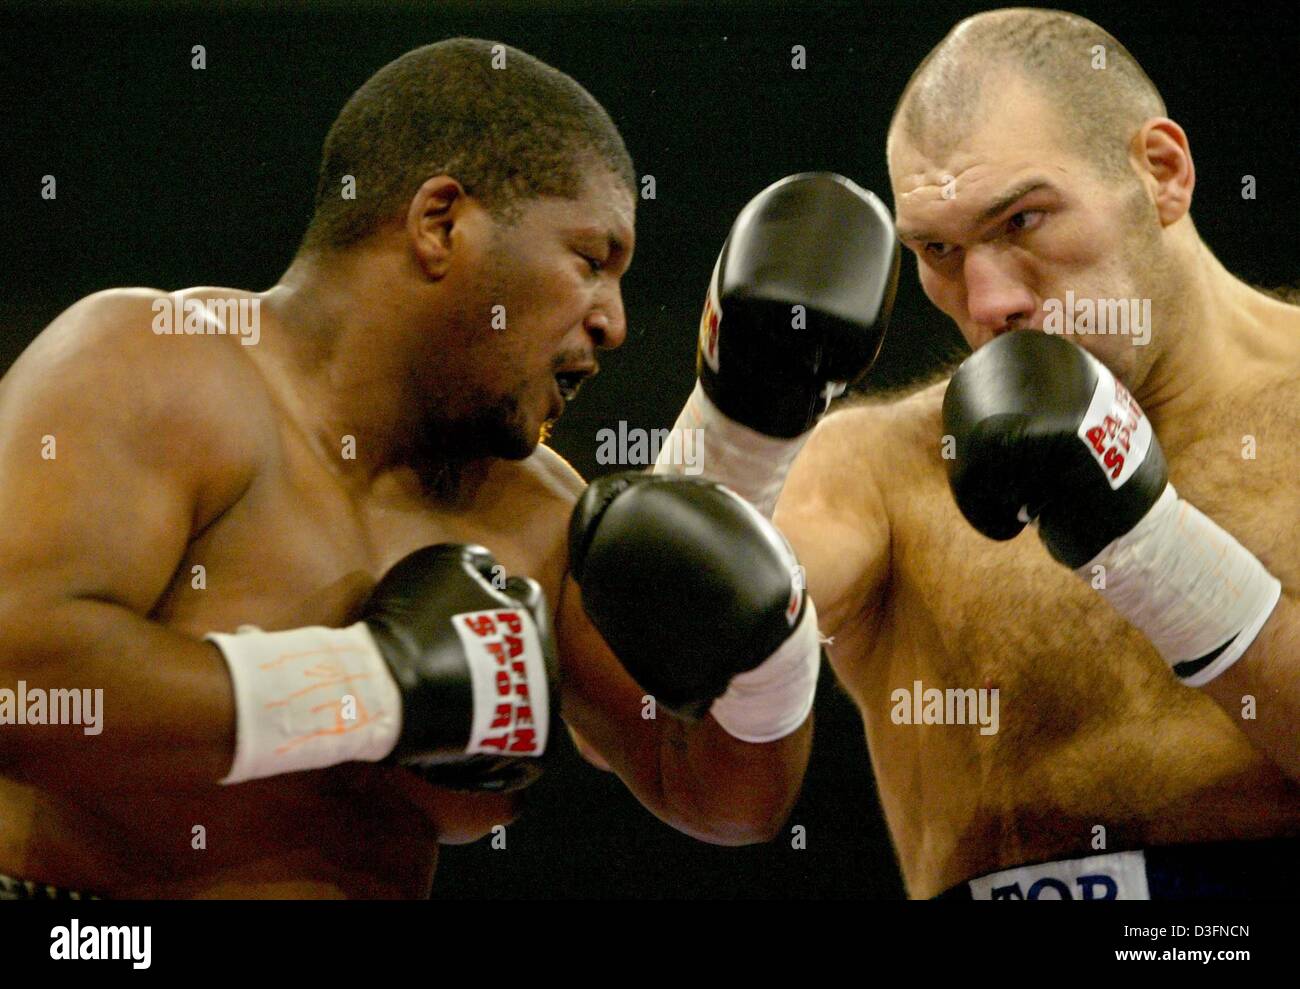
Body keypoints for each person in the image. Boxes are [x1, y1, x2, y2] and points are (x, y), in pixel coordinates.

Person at [0, 38, 822, 899]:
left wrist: (778, 649)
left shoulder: (537, 512)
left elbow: (718, 796)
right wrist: (369, 690)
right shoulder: (159, 366)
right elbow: (19, 679)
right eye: (591, 260)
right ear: (441, 224)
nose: (614, 322)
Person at [658, 9, 1300, 899]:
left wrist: (1156, 551)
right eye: (939, 250)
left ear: (1161, 172)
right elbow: (654, 664)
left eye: (1024, 219)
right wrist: (732, 424)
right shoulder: (880, 470)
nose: (989, 300)